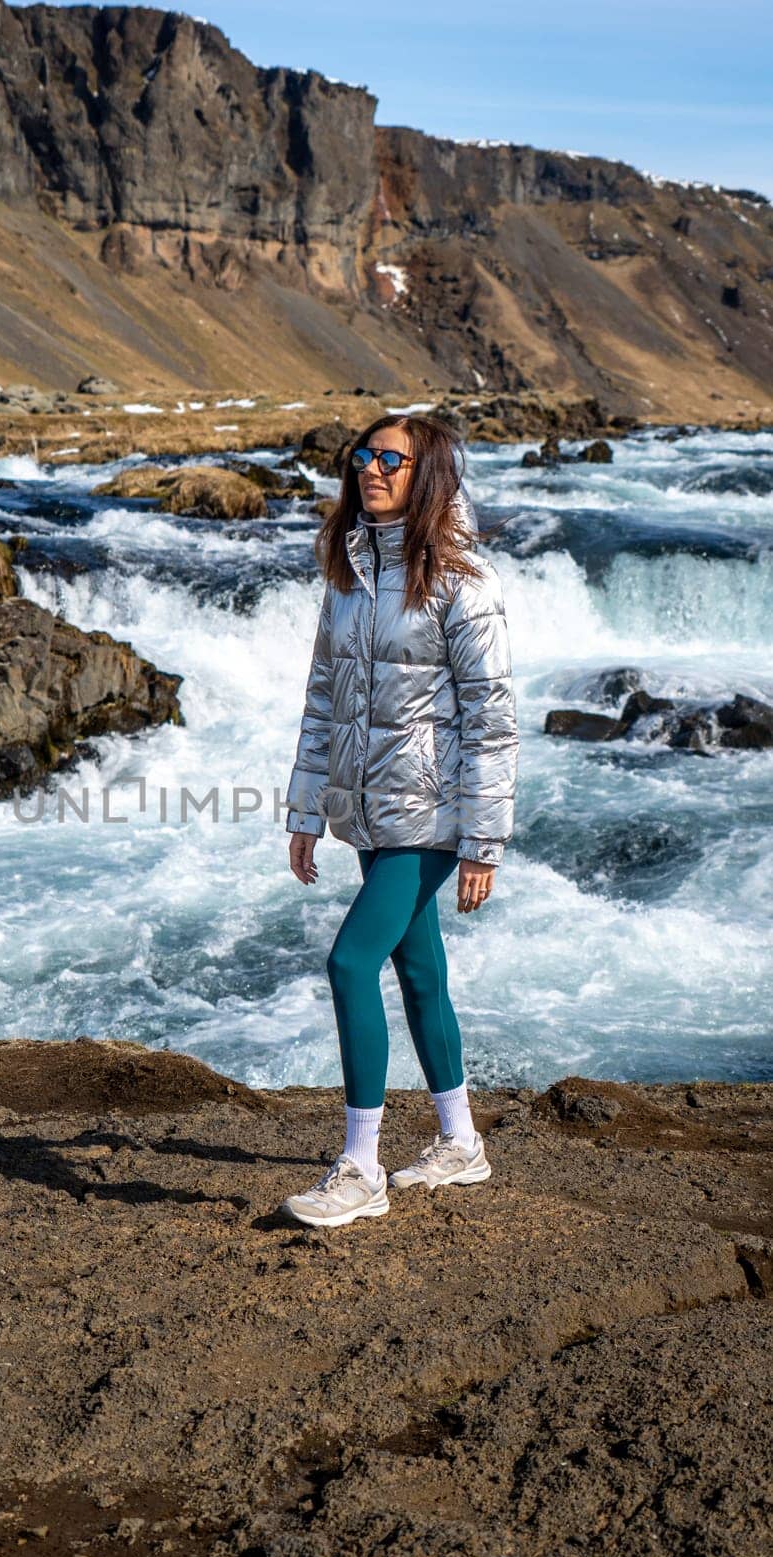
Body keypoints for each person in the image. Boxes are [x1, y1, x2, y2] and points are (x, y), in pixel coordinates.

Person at [280, 412, 519, 1228]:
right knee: (418, 971)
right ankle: (461, 1142)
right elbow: (322, 701)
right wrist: (308, 808)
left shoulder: (463, 580)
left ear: (429, 476)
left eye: (392, 459)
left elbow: (491, 717)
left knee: (350, 963)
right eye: (364, 455)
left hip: (434, 813)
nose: (372, 469)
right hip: (369, 809)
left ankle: (359, 1168)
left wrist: (483, 839)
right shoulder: (346, 573)